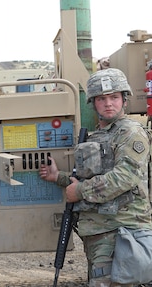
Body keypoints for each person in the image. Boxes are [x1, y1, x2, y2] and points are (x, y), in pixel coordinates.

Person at [39, 68, 152, 287]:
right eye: (102, 98)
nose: (108, 103)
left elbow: (124, 177)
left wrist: (79, 191)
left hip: (122, 232)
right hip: (101, 233)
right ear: (93, 102)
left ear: (124, 100)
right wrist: (59, 177)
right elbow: (91, 176)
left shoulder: (130, 133)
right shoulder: (102, 134)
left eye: (114, 97)